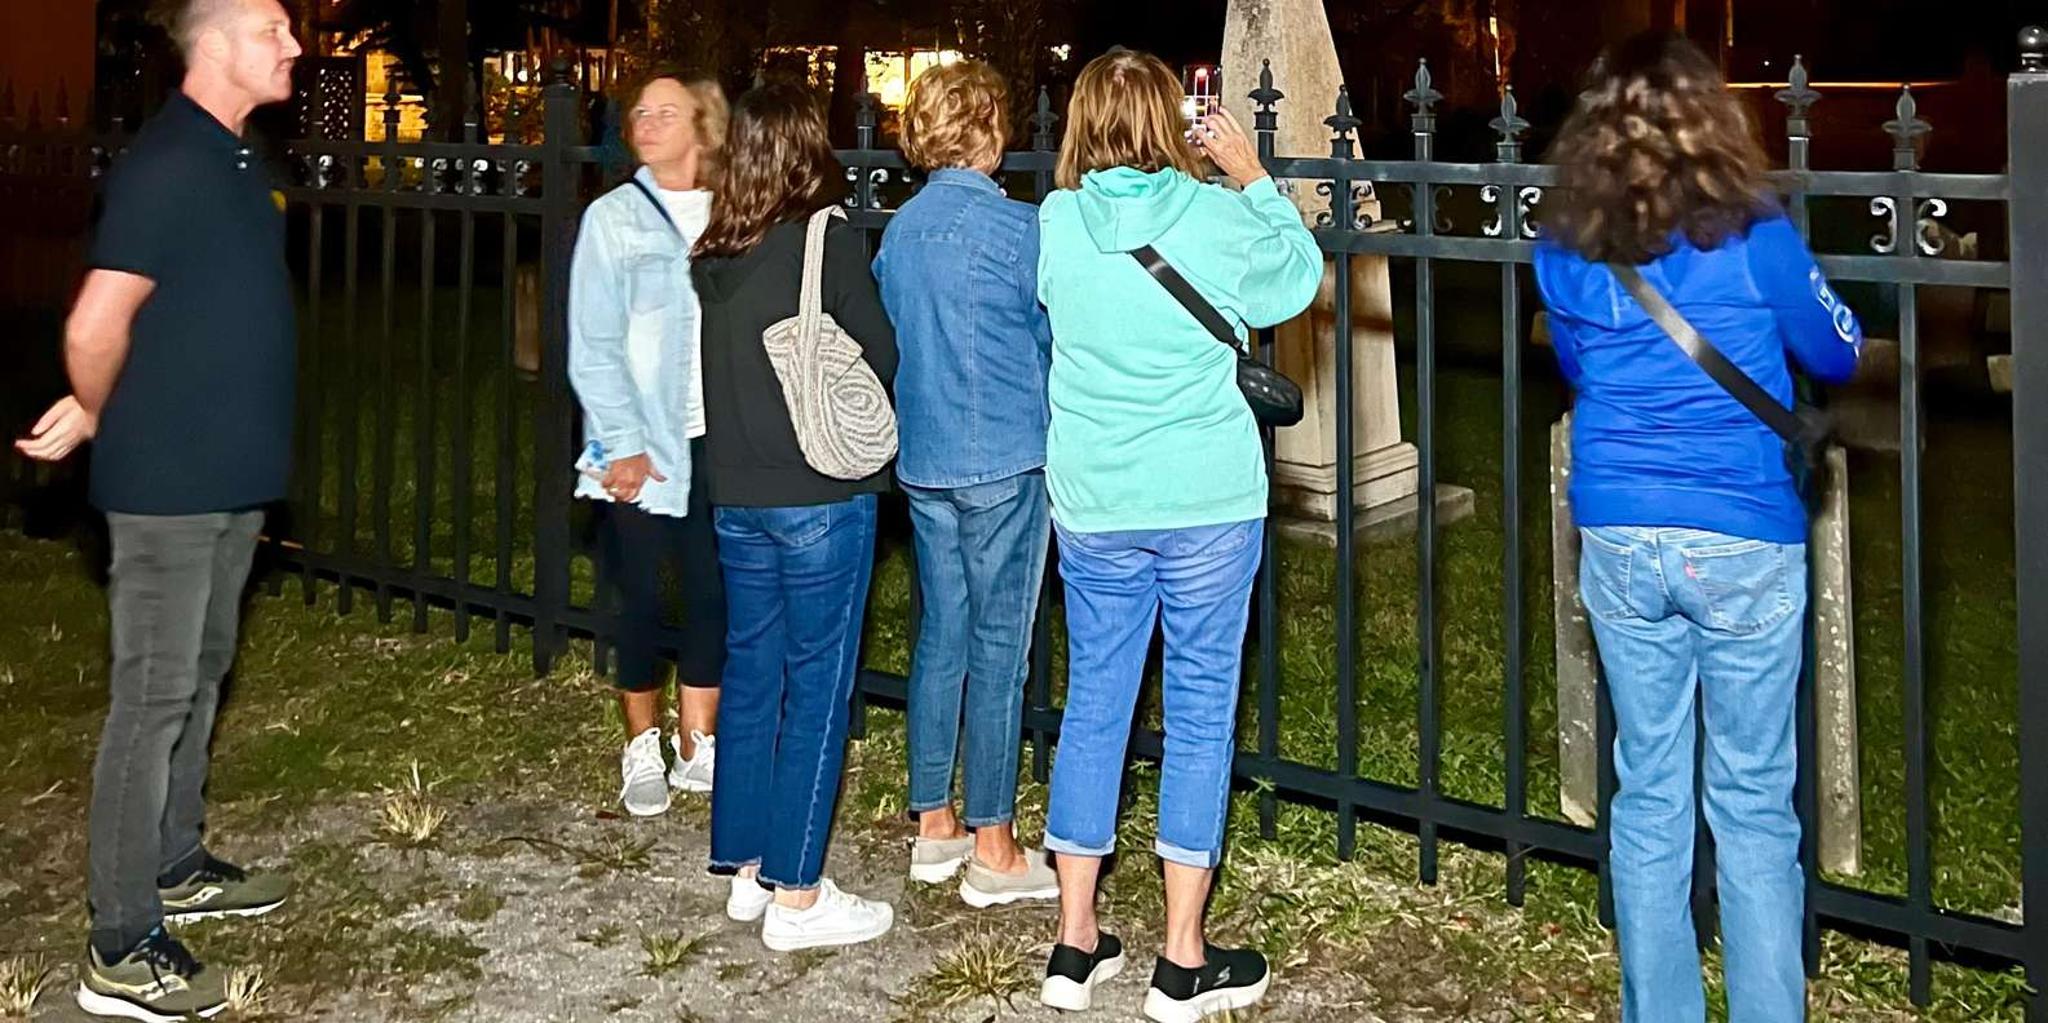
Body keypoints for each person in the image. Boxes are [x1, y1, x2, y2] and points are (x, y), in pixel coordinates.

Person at [1533, 32, 1863, 1023]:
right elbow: (1836, 352)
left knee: (1647, 791)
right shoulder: (1755, 234)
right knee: (1754, 804)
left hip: (1622, 530)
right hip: (1743, 534)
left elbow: (1584, 373)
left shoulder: (1561, 243)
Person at [11, 0, 303, 1017]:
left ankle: (177, 861)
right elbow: (97, 321)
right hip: (167, 488)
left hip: (225, 479)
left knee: (202, 673)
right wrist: (97, 410)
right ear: (215, 44)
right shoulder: (168, 163)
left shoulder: (233, 159)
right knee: (152, 700)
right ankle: (120, 942)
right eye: (275, 30)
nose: (295, 46)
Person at [1031, 48, 1321, 1023]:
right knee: (1199, 712)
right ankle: (1181, 960)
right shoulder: (1214, 215)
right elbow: (1296, 281)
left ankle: (1073, 945)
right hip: (1204, 498)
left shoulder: (1057, 222)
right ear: (1171, 118)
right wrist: (1249, 178)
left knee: (1094, 703)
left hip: (1096, 502)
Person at [689, 83, 900, 952]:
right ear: (809, 149)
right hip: (819, 495)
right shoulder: (826, 238)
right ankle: (800, 897)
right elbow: (880, 354)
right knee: (817, 685)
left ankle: (746, 867)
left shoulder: (712, 251)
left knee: (752, 673)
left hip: (736, 494)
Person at [871, 60, 1059, 907]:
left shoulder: (898, 234)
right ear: (991, 130)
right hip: (1005, 457)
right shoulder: (1022, 231)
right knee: (999, 649)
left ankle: (933, 823)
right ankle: (995, 842)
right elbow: (1050, 339)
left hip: (925, 459)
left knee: (941, 636)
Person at [568, 68, 729, 817]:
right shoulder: (614, 219)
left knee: (711, 590)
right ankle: (642, 745)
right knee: (637, 596)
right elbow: (592, 342)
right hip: (643, 441)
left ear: (705, 126)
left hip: (720, 436)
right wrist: (622, 444)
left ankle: (699, 742)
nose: (650, 121)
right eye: (641, 111)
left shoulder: (734, 213)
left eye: (670, 111)